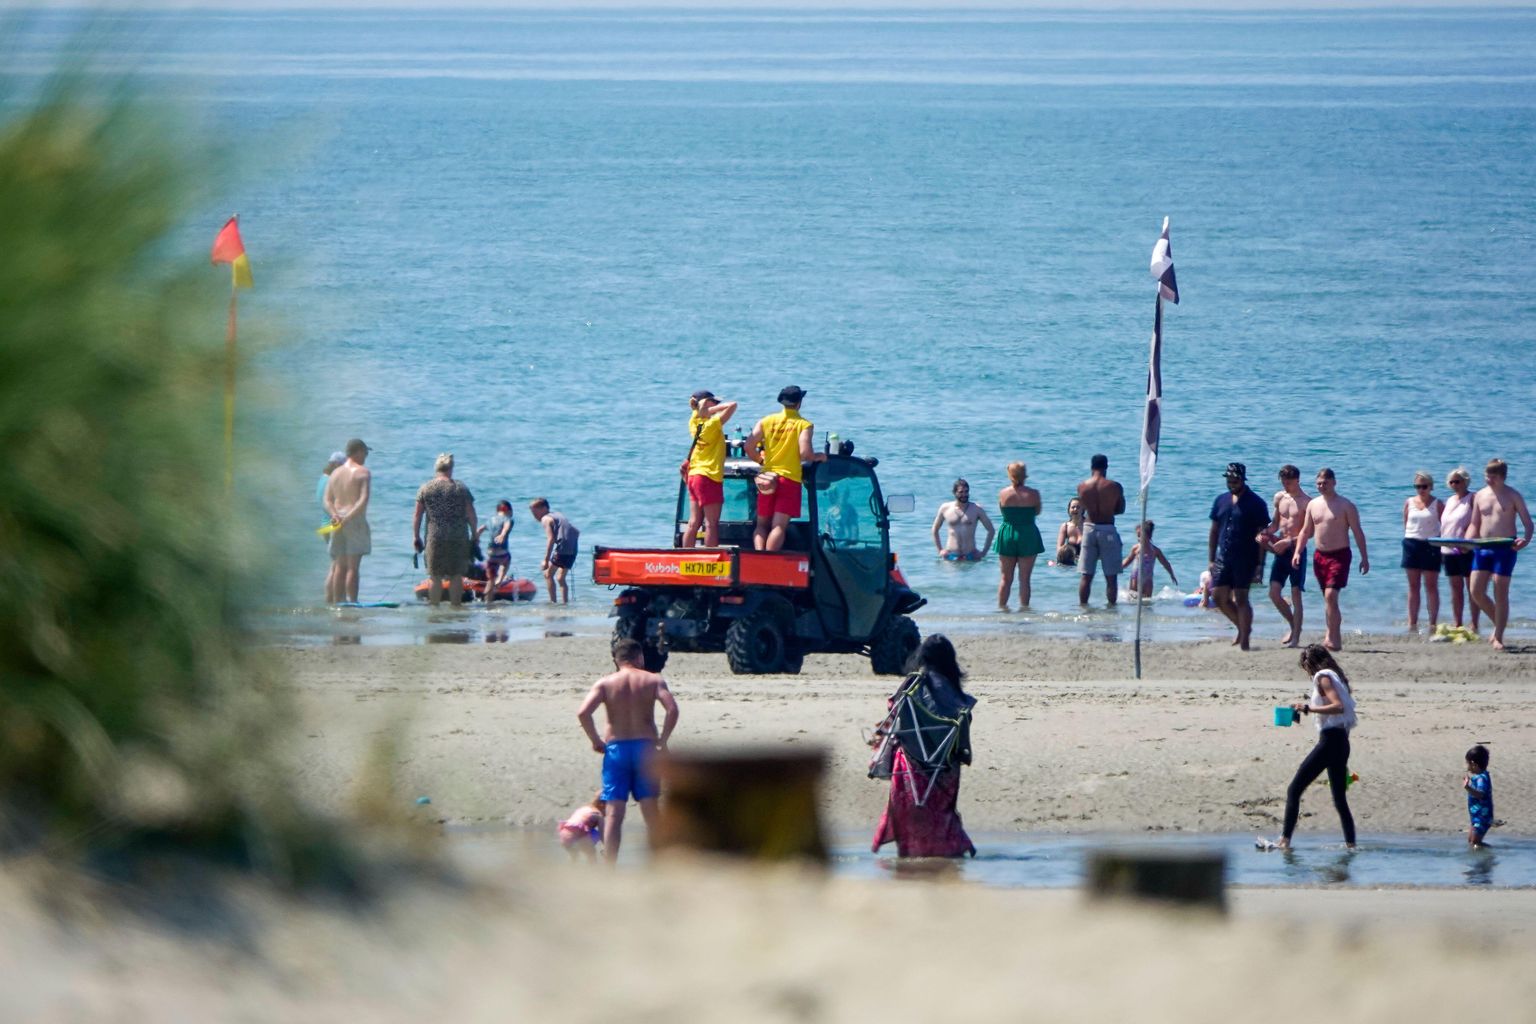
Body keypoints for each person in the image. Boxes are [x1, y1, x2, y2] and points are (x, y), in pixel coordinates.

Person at [870, 634, 976, 858]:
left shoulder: (911, 685)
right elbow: (962, 739)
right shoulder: (956, 695)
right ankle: (948, 846)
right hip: (944, 765)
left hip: (911, 762)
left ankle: (908, 848)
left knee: (901, 748)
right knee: (953, 764)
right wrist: (965, 753)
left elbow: (893, 714)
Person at [576, 638, 679, 864]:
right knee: (651, 810)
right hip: (646, 748)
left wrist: (595, 740)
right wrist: (663, 739)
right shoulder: (653, 680)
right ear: (639, 657)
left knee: (613, 813)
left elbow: (583, 713)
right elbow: (672, 709)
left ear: (616, 659)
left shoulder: (605, 683)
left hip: (617, 750)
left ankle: (610, 865)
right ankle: (660, 861)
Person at [1264, 645, 1357, 851]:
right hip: (1341, 741)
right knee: (1340, 799)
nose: (1307, 673)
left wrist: (1308, 708)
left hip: (1331, 741)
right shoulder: (1337, 677)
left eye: (1305, 668)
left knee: (1294, 789)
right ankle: (1351, 845)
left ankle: (1284, 841)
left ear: (1309, 664)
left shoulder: (1322, 677)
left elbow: (1338, 706)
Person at [1292, 468, 1370, 652]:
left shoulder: (1346, 506)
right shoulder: (1313, 505)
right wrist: (1297, 552)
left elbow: (1358, 532)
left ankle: (1335, 639)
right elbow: (1305, 531)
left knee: (1331, 595)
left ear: (1334, 482)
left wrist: (1364, 557)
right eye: (1318, 483)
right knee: (1328, 599)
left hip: (1340, 555)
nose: (1321, 486)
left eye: (1325, 483)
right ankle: (1330, 634)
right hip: (1320, 556)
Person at [745, 385, 826, 552]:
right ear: (799, 403)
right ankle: (770, 560)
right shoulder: (803, 424)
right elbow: (805, 453)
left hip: (766, 478)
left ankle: (758, 558)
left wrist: (761, 460)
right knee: (778, 526)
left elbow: (748, 446)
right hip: (789, 480)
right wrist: (818, 456)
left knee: (761, 525)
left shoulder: (766, 421)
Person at [1468, 458, 1533, 651]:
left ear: (1503, 477)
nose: (1489, 480)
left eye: (1493, 477)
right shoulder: (1479, 495)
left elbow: (1528, 523)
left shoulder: (1513, 495)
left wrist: (1526, 539)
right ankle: (1499, 621)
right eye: (1487, 476)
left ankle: (1498, 636)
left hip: (1506, 547)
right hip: (1483, 547)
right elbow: (1474, 524)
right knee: (1476, 591)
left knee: (1500, 591)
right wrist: (1465, 542)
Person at [1207, 462, 1269, 650]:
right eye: (1229, 480)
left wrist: (1260, 565)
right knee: (1218, 596)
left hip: (1246, 558)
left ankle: (1245, 640)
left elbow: (1262, 536)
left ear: (1242, 479)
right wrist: (1210, 558)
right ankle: (1243, 628)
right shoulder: (1221, 500)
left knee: (1241, 598)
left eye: (1235, 480)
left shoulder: (1256, 503)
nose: (1231, 483)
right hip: (1223, 557)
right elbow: (1214, 531)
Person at [411, 453, 476, 608]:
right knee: (456, 576)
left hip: (435, 537)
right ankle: (456, 608)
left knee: (435, 577)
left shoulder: (426, 488)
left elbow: (417, 515)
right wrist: (474, 535)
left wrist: (416, 536)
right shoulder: (461, 488)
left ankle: (434, 609)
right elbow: (471, 514)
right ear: (451, 468)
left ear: (437, 468)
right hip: (458, 537)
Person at [682, 389, 738, 548]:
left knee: (693, 522)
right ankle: (711, 560)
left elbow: (698, 412)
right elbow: (733, 405)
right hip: (709, 476)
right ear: (706, 404)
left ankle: (685, 557)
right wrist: (708, 409)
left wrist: (705, 409)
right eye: (714, 402)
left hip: (694, 475)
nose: (718, 405)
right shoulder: (712, 424)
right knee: (711, 523)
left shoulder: (693, 421)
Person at [1263, 465, 1310, 648]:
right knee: (1274, 593)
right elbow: (1275, 524)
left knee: (1296, 593)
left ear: (1297, 480)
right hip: (1280, 551)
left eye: (1288, 482)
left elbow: (1309, 534)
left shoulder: (1307, 502)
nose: (1285, 485)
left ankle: (1296, 637)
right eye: (1283, 482)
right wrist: (1265, 533)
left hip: (1297, 551)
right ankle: (1293, 625)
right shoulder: (1280, 498)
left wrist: (1289, 542)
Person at [322, 438, 373, 605]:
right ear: (358, 451)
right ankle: (353, 602)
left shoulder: (335, 473)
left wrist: (335, 515)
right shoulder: (363, 472)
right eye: (365, 452)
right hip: (354, 521)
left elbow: (327, 500)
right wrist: (348, 517)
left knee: (339, 565)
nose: (365, 456)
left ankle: (338, 602)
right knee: (352, 567)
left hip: (336, 521)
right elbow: (363, 500)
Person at [1076, 454, 1126, 606]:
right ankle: (1111, 611)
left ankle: (1083, 609)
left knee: (1086, 575)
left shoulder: (1082, 486)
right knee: (1111, 577)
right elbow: (1120, 509)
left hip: (1089, 528)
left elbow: (1083, 509)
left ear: (1091, 467)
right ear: (1106, 467)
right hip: (1107, 529)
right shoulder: (1114, 486)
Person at [994, 463, 1043, 609]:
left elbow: (1002, 512)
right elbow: (1037, 511)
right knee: (1025, 579)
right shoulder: (1034, 494)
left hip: (1008, 532)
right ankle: (1024, 611)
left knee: (1005, 578)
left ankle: (1002, 609)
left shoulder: (1003, 493)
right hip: (1027, 533)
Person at [1401, 471, 1444, 633]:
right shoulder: (1409, 502)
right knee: (1413, 586)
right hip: (1411, 544)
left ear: (1431, 487)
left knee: (1431, 585)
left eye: (1424, 486)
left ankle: (1433, 623)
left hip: (1431, 545)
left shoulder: (1437, 504)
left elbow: (1445, 525)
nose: (1421, 490)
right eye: (1418, 486)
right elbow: (1406, 523)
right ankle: (1412, 622)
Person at [1438, 467, 1480, 632]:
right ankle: (1458, 622)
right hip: (1448, 550)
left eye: (1458, 481)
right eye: (1452, 482)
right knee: (1455, 588)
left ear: (1465, 481)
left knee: (1472, 588)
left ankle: (1475, 623)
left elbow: (1478, 522)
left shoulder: (1473, 498)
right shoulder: (1449, 500)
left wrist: (1468, 540)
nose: (1455, 484)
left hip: (1466, 549)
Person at [931, 478, 995, 562]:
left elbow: (991, 530)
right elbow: (935, 530)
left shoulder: (976, 509)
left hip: (971, 556)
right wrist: (940, 550)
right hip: (950, 556)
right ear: (954, 493)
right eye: (961, 492)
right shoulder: (945, 508)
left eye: (966, 491)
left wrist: (984, 552)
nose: (964, 495)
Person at [532, 497, 581, 603]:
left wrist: (546, 559)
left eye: (535, 513)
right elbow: (576, 531)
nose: (534, 516)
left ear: (544, 508)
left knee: (548, 574)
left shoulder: (546, 519)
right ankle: (564, 604)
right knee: (560, 578)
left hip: (563, 548)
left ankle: (553, 603)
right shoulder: (558, 515)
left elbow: (550, 539)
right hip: (573, 549)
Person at [318, 449, 346, 604]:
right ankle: (337, 601)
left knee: (334, 566)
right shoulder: (332, 481)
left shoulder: (322, 479)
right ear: (336, 464)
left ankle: (331, 602)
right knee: (338, 567)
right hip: (333, 525)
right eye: (342, 465)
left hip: (325, 526)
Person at [1122, 520, 1179, 598]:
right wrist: (1118, 567)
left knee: (1146, 601)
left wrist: (1171, 574)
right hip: (1135, 577)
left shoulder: (1155, 550)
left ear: (1148, 536)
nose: (1138, 538)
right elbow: (1128, 560)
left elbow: (1165, 563)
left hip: (1147, 579)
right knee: (1132, 598)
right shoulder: (1135, 548)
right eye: (1137, 535)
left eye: (1139, 536)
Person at [556, 792, 608, 862]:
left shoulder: (584, 808)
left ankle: (570, 870)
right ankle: (594, 871)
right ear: (602, 805)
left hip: (564, 835)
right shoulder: (598, 815)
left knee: (573, 856)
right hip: (578, 835)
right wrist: (607, 847)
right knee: (592, 853)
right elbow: (603, 835)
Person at [480, 499, 514, 600]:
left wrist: (475, 539)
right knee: (507, 560)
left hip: (491, 554)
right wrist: (503, 534)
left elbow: (480, 529)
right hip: (502, 553)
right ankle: (500, 579)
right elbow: (506, 526)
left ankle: (487, 602)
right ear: (508, 510)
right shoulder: (507, 518)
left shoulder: (490, 520)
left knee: (490, 580)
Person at [1464, 744, 1494, 849]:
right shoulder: (1479, 777)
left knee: (1475, 843)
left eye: (1467, 763)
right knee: (1471, 841)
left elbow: (1481, 794)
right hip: (1476, 817)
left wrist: (1468, 787)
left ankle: (1490, 853)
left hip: (1482, 817)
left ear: (1473, 764)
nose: (1467, 767)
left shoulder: (1481, 778)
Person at [1054, 497, 1085, 567]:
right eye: (1073, 507)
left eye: (1078, 507)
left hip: (1086, 559)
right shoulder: (1065, 526)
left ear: (1083, 509)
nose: (1075, 509)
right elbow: (1059, 548)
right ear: (1069, 510)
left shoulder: (1088, 525)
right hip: (1070, 561)